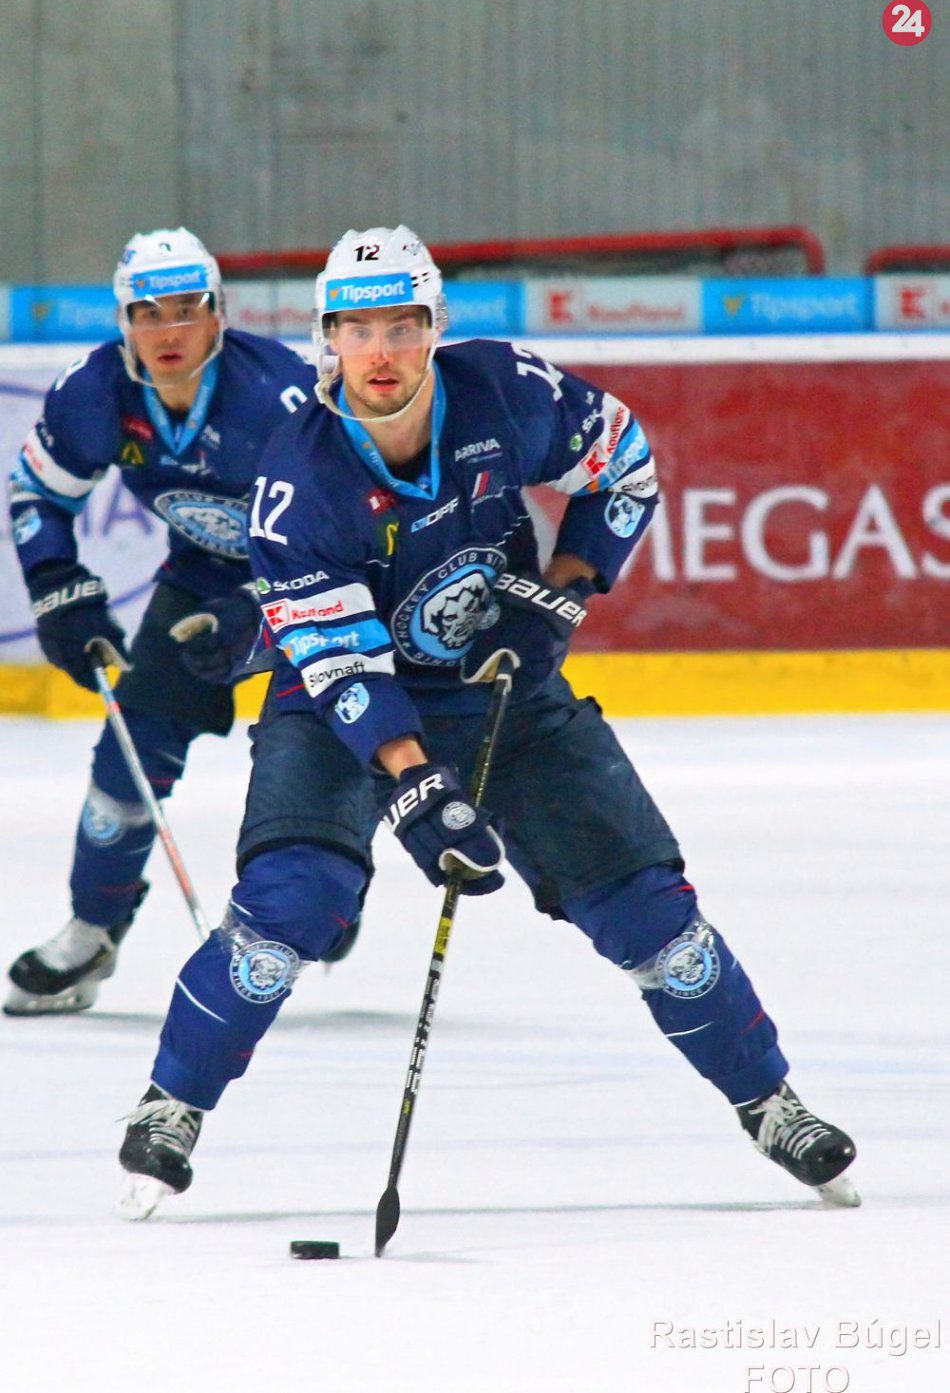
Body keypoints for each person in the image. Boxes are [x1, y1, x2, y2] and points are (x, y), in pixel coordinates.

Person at [116, 225, 858, 1220]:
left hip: (495, 681)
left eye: (401, 325)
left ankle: (770, 1101)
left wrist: (558, 593)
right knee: (290, 904)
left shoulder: (506, 389)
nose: (379, 351)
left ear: (435, 326)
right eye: (355, 330)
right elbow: (341, 664)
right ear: (326, 339)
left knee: (645, 908)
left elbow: (624, 464)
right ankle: (172, 1102)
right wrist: (419, 788)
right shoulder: (297, 485)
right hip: (334, 701)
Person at [4, 227, 360, 1018]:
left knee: (321, 751)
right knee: (127, 757)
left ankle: (329, 887)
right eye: (148, 313)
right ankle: (92, 929)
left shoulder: (280, 396)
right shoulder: (94, 393)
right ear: (124, 321)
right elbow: (38, 495)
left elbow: (352, 528)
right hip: (200, 580)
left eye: (186, 309)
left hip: (315, 584)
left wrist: (263, 608)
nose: (169, 330)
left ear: (218, 312)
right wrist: (57, 583)